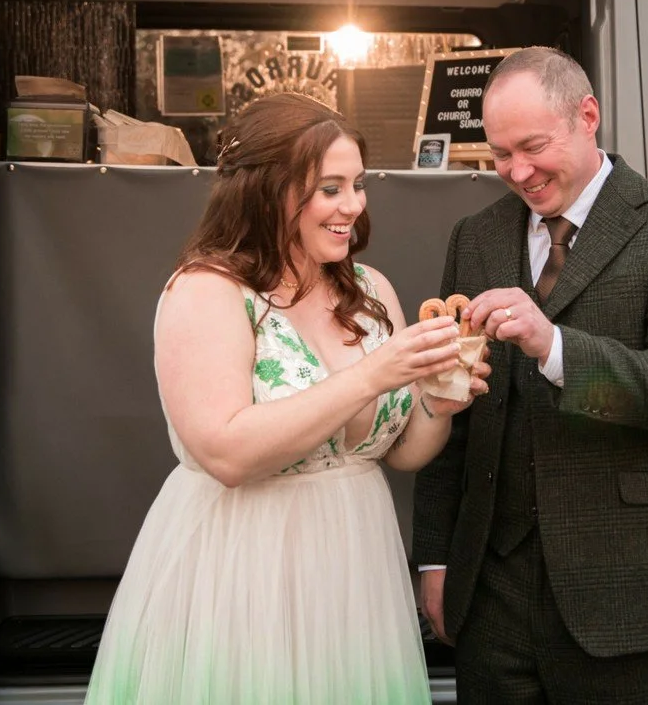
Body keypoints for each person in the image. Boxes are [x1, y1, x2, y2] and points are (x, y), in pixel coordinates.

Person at [84, 92, 488, 705]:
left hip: (355, 564)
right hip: (246, 567)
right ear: (269, 191)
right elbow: (226, 454)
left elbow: (400, 454)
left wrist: (438, 402)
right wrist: (377, 373)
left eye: (357, 185)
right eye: (330, 188)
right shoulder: (207, 290)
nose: (352, 205)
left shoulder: (368, 288)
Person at [412, 47, 648, 704]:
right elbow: (451, 407)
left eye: (532, 146)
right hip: (490, 596)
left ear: (587, 115)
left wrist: (553, 346)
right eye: (500, 153)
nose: (517, 170)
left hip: (621, 593)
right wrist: (435, 557)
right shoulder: (473, 236)